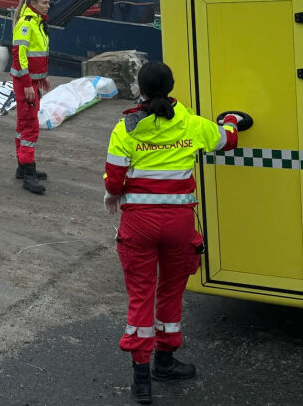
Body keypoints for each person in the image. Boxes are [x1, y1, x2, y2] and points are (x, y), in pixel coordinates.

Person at [103, 61, 242, 404]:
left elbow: (115, 177)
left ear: (140, 89)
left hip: (138, 226)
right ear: (170, 87)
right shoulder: (190, 123)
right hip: (179, 225)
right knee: (170, 292)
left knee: (141, 297)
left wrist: (112, 193)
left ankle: (141, 380)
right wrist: (232, 121)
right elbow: (227, 141)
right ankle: (164, 362)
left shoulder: (126, 128)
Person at [10, 0, 51, 194]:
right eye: (44, 2)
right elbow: (19, 55)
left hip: (31, 82)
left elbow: (37, 55)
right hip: (25, 84)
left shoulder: (36, 22)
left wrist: (40, 79)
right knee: (30, 127)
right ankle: (29, 174)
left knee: (23, 125)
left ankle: (22, 166)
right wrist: (27, 84)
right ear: (33, 4)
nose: (48, 6)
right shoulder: (27, 24)